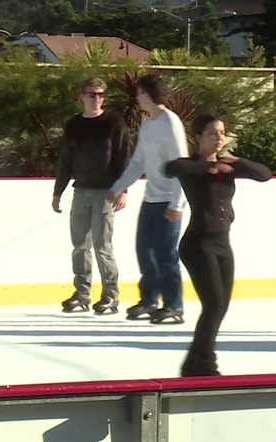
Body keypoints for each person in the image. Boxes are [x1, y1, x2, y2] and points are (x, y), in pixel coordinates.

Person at [164, 113, 272, 377]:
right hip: (197, 243)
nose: (219, 137)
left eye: (222, 133)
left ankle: (194, 363)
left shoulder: (229, 165)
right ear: (198, 138)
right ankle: (205, 364)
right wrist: (208, 167)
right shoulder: (189, 166)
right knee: (213, 305)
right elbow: (170, 169)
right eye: (213, 133)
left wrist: (237, 161)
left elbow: (265, 175)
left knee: (221, 306)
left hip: (223, 243)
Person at [105, 74, 188, 324]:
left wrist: (176, 203)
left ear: (151, 94)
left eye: (140, 93)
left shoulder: (170, 123)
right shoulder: (148, 124)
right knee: (145, 252)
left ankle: (174, 305)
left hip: (169, 201)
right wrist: (117, 187)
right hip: (150, 199)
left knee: (165, 255)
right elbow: (138, 162)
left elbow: (181, 164)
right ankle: (150, 300)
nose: (137, 98)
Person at [53, 76, 131, 315]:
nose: (97, 98)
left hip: (106, 193)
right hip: (81, 191)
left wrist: (123, 190)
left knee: (102, 246)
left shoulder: (114, 123)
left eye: (100, 94)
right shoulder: (74, 125)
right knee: (80, 246)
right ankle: (82, 293)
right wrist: (58, 192)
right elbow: (67, 161)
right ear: (82, 96)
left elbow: (124, 157)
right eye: (92, 94)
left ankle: (110, 295)